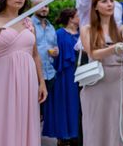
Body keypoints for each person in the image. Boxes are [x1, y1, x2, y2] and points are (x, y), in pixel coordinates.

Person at [0, 0, 47, 146]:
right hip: (2, 79)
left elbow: (35, 55)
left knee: (24, 118)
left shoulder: (29, 22)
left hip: (27, 81)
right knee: (0, 117)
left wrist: (41, 83)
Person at [79, 0, 123, 146]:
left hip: (118, 80)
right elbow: (93, 53)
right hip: (96, 81)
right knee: (95, 123)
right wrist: (113, 48)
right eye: (104, 1)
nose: (109, 4)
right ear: (95, 6)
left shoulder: (120, 28)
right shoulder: (87, 29)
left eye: (111, 0)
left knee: (117, 124)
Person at [48, 8, 81, 145]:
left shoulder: (82, 33)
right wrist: (53, 54)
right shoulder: (59, 34)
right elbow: (52, 54)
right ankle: (63, 137)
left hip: (81, 73)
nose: (81, 18)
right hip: (65, 75)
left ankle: (77, 136)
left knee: (79, 106)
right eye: (78, 16)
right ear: (71, 18)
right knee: (66, 104)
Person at [33, 0, 59, 138]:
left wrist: (56, 52)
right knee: (32, 109)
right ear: (32, 7)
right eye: (40, 5)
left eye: (46, 6)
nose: (44, 8)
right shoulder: (28, 24)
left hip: (50, 74)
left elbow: (54, 47)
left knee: (44, 111)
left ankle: (37, 137)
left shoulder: (51, 27)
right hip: (34, 73)